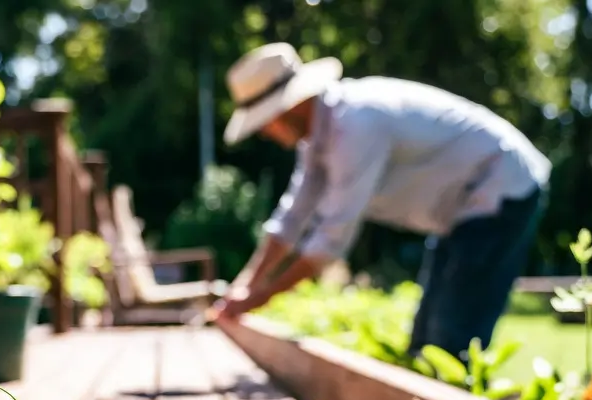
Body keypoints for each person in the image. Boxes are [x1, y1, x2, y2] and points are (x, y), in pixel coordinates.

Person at [211, 43, 550, 357]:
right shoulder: (317, 139)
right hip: (461, 212)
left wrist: (259, 298)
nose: (267, 133)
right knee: (425, 340)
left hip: (502, 189)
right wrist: (245, 285)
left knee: (451, 338)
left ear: (289, 107)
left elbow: (329, 242)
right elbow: (292, 217)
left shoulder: (356, 124)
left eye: (265, 123)